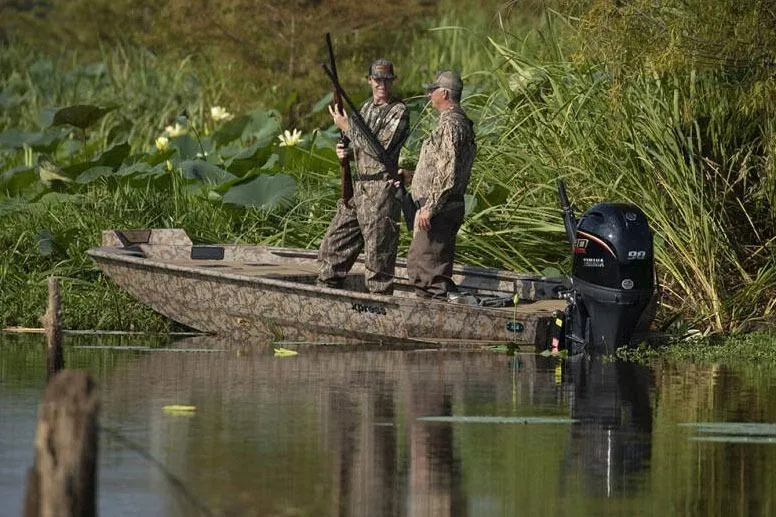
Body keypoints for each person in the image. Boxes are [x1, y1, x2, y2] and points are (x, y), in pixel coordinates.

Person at [317, 58, 410, 295]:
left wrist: (347, 126)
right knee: (332, 247)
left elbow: (379, 149)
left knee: (378, 262)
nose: (382, 85)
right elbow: (357, 146)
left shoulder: (398, 111)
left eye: (387, 80)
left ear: (393, 81)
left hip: (381, 192)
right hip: (358, 191)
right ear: (370, 81)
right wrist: (344, 153)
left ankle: (378, 312)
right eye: (378, 80)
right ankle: (326, 295)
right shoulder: (366, 108)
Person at [405, 71, 476, 300]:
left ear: (444, 93)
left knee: (429, 272)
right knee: (421, 266)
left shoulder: (451, 124)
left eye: (432, 90)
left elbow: (448, 171)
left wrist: (430, 206)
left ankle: (439, 323)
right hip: (443, 205)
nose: (429, 95)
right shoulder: (458, 123)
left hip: (439, 208)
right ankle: (428, 317)